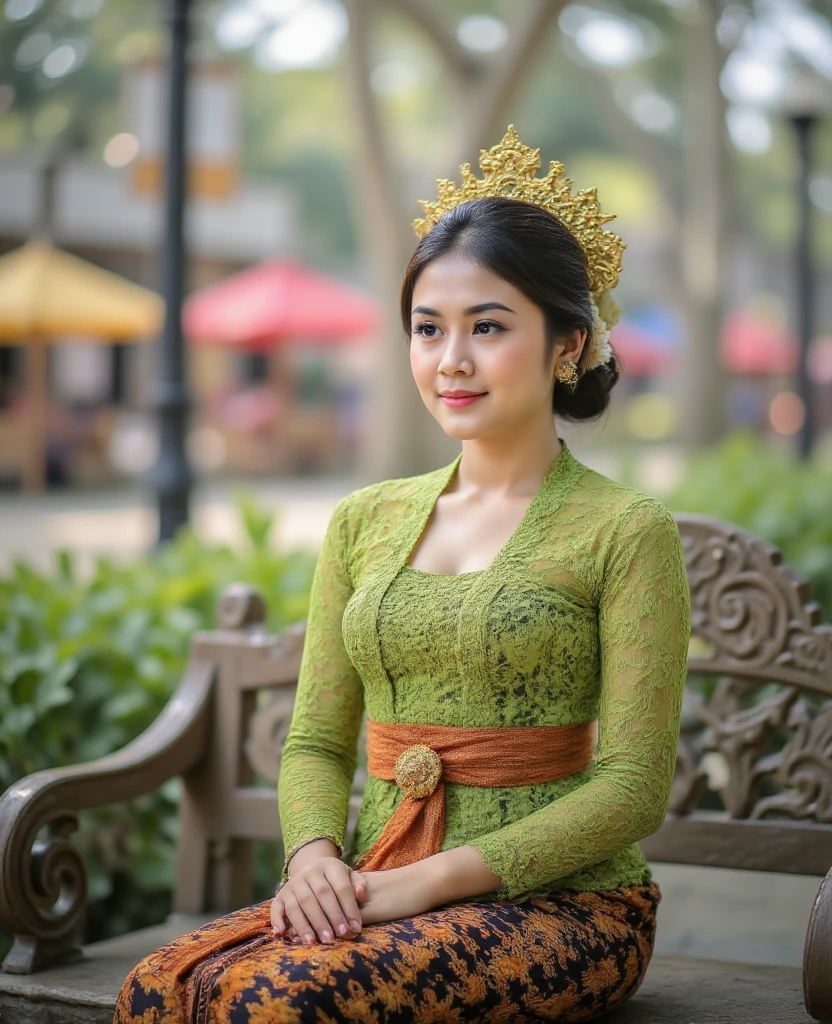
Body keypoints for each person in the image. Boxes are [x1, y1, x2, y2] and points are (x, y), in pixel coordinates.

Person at [114, 126, 691, 1024]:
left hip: (566, 905)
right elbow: (313, 743)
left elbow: (631, 788)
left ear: (568, 345)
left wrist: (421, 887)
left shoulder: (626, 531)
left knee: (280, 1003)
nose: (450, 359)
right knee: (159, 987)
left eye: (488, 327)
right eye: (429, 328)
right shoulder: (365, 519)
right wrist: (313, 859)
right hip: (373, 874)